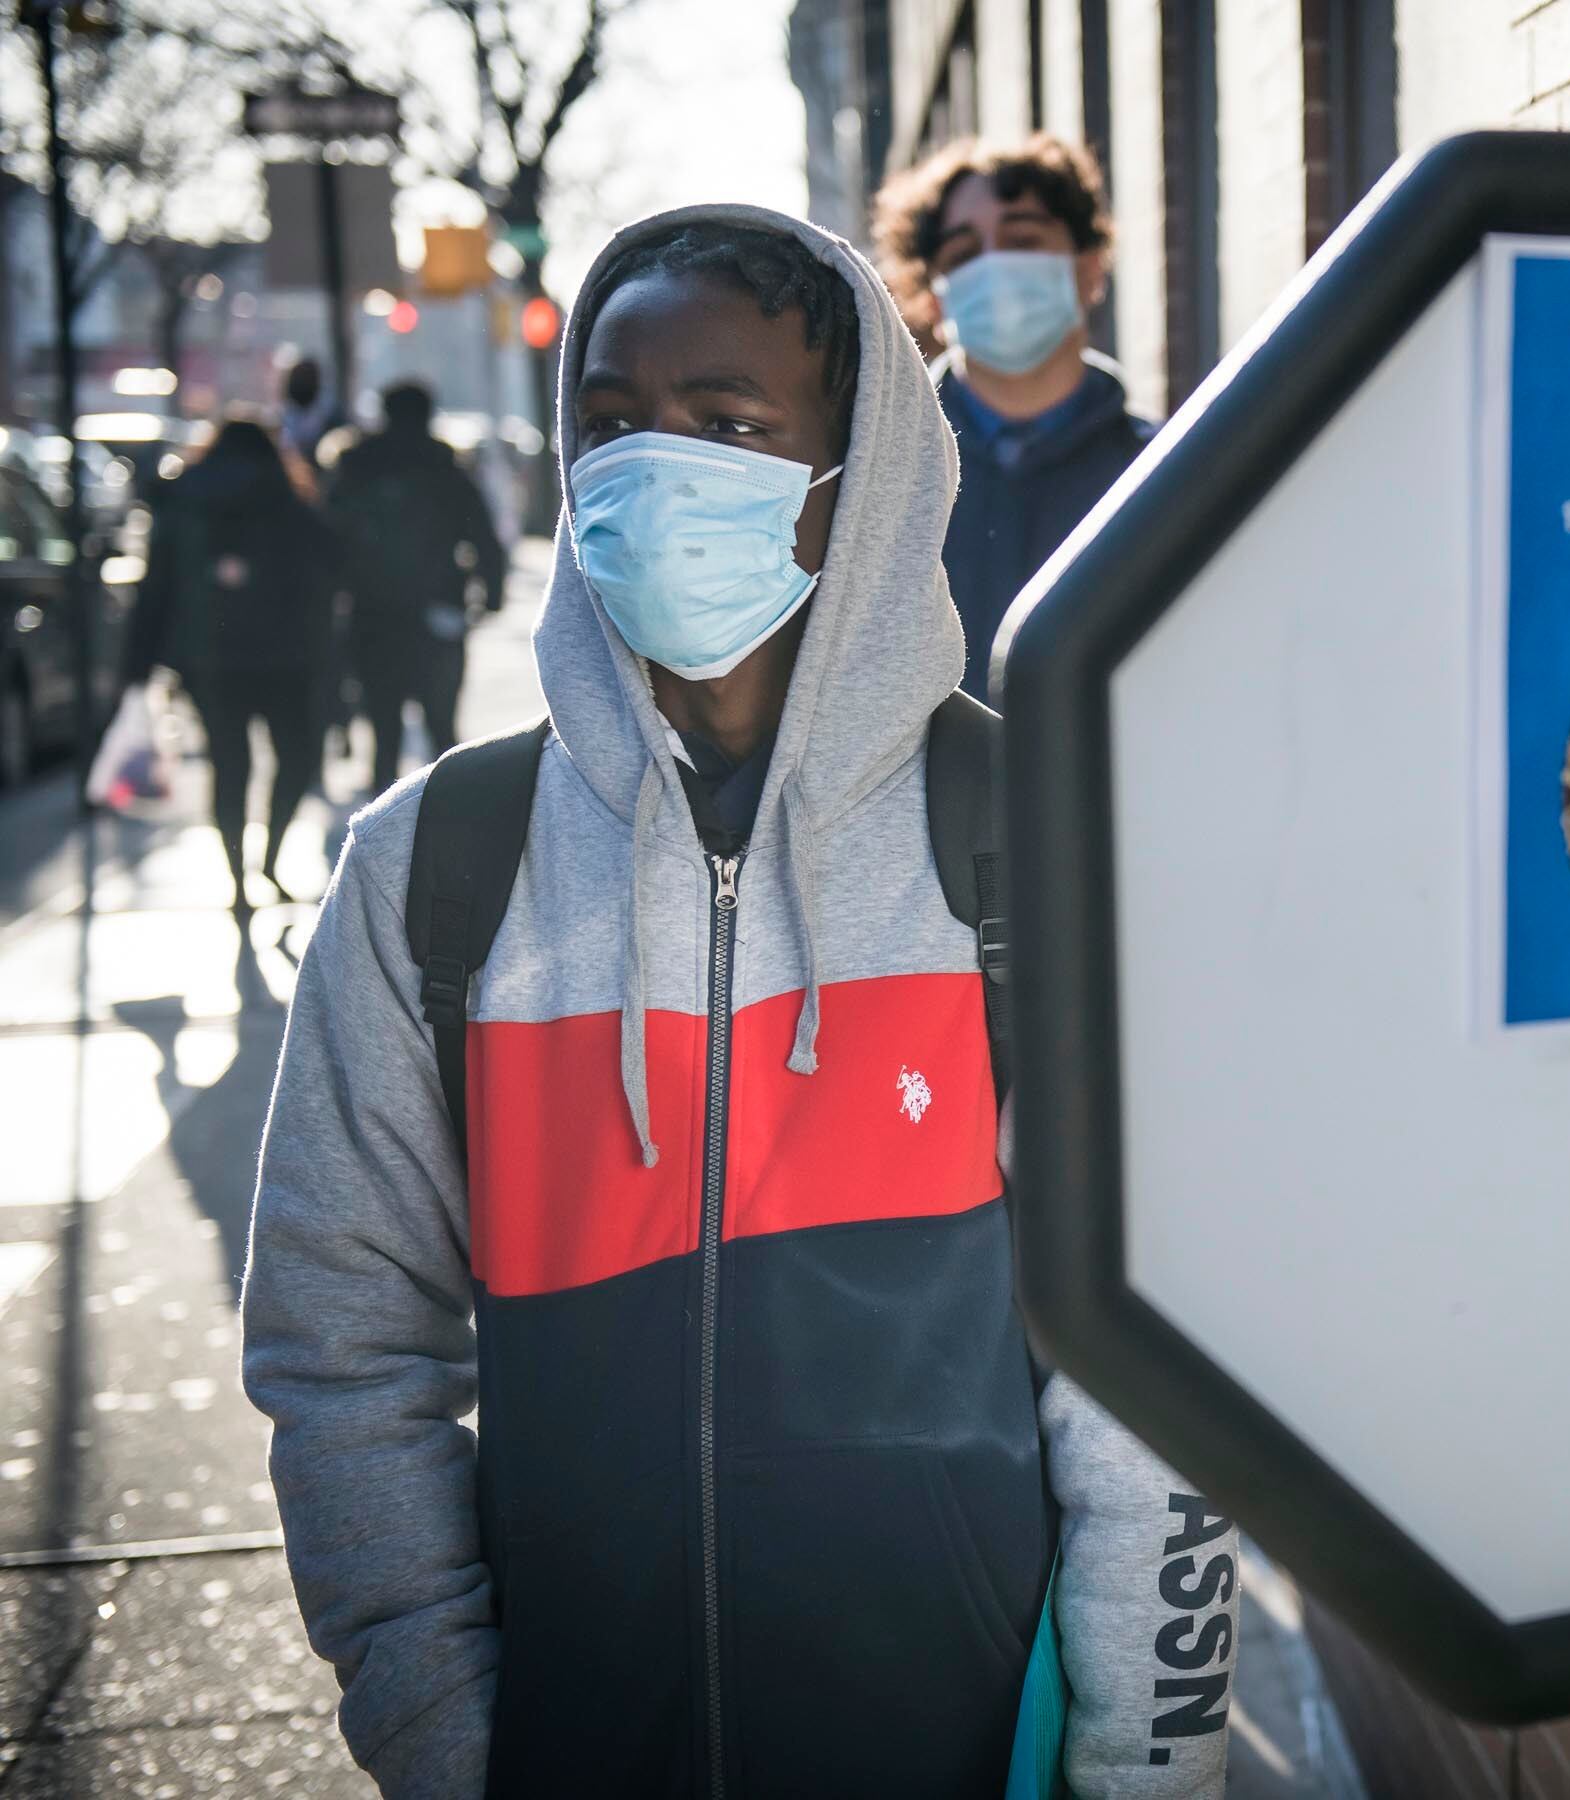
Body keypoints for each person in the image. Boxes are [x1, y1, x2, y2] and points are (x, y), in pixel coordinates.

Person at [242, 206, 1236, 1797]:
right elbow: (341, 1346)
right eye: (613, 423)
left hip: (964, 1749)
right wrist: (447, 1738)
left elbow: (1161, 1383)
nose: (653, 467)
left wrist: (1147, 1767)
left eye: (728, 424)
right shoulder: (438, 865)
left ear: (862, 473)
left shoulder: (1035, 843)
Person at [875, 133, 1155, 702]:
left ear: (1089, 268)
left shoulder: (1164, 468)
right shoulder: (876, 485)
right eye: (963, 254)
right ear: (932, 298)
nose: (995, 267)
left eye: (1023, 239)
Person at [121, 419, 336, 913]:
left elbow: (155, 587)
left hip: (208, 658)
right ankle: (271, 858)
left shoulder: (183, 500)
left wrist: (136, 665)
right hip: (285, 655)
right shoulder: (285, 496)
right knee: (294, 758)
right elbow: (334, 561)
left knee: (228, 764)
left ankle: (237, 881)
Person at [323, 381, 508, 789]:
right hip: (437, 613)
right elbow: (486, 542)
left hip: (371, 614)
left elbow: (328, 542)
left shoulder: (356, 469)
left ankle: (382, 822)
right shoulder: (447, 471)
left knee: (382, 728)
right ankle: (450, 821)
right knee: (441, 725)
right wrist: (490, 597)